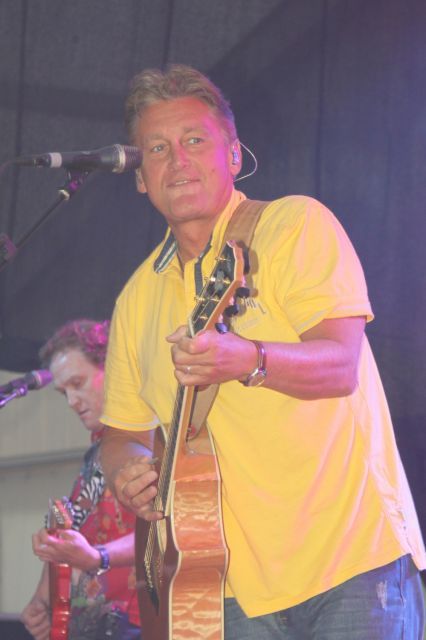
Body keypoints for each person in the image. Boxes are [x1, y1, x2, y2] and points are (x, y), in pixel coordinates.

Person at [99, 64, 426, 639]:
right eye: (158, 149)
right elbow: (120, 433)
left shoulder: (293, 226)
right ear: (141, 179)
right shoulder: (135, 300)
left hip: (350, 559)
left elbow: (340, 365)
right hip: (222, 584)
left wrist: (248, 359)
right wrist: (127, 470)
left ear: (233, 155)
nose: (178, 161)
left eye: (194, 140)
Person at [21, 320, 141, 640]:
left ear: (112, 368)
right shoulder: (95, 454)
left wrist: (98, 556)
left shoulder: (149, 436)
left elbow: (167, 531)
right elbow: (74, 534)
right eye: (64, 392)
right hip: (95, 623)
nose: (72, 401)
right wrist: (43, 598)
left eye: (78, 383)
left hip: (139, 621)